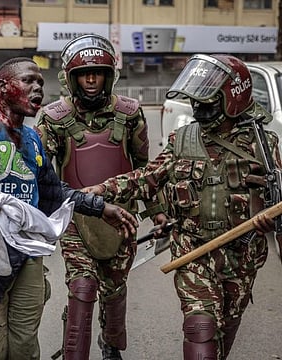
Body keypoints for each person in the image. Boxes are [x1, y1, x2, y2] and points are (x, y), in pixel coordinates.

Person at [85, 54, 280, 360]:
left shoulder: (262, 145)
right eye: (195, 102)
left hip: (242, 255)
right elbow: (146, 178)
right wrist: (100, 190)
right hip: (192, 250)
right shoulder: (181, 140)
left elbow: (278, 199)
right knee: (200, 329)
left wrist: (269, 214)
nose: (198, 110)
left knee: (225, 329)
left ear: (232, 100)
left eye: (208, 103)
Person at [0, 57, 138, 360]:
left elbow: (52, 193)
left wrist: (100, 208)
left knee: (24, 347)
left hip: (29, 251)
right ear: (4, 85)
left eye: (40, 83)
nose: (38, 89)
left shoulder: (32, 138)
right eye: (28, 81)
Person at [35, 34, 150, 360]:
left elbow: (144, 167)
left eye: (97, 72)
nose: (90, 78)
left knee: (114, 290)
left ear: (108, 75)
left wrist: (157, 210)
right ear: (71, 77)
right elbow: (43, 175)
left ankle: (112, 346)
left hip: (121, 216)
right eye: (83, 73)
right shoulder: (53, 118)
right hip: (75, 217)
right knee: (82, 287)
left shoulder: (130, 114)